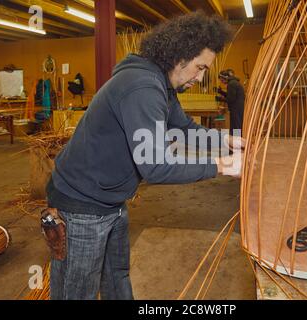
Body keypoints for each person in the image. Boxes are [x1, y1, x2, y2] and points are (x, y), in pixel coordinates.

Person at [45, 12, 245, 300]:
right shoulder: (142, 87)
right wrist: (221, 165)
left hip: (111, 198)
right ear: (179, 56)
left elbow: (183, 129)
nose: (201, 78)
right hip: (81, 202)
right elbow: (156, 166)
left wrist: (224, 140)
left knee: (116, 277)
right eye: (200, 67)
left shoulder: (162, 84)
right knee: (78, 291)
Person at [216, 69, 245, 135]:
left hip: (236, 108)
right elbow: (231, 95)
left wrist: (220, 99)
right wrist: (221, 92)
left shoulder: (231, 84)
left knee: (236, 126)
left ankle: (237, 141)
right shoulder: (233, 82)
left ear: (225, 77)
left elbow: (230, 99)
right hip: (238, 108)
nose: (221, 81)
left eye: (221, 79)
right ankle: (236, 141)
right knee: (236, 126)